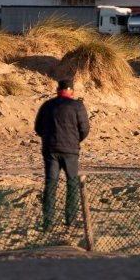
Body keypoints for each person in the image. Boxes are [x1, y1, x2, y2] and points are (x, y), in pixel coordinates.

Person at [33, 78, 90, 231]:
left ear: (58, 90)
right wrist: (76, 139)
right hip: (70, 151)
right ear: (71, 91)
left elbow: (38, 128)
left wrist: (49, 138)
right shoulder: (77, 105)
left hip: (50, 149)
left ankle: (48, 222)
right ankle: (70, 220)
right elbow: (84, 129)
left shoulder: (47, 105)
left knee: (51, 184)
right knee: (72, 183)